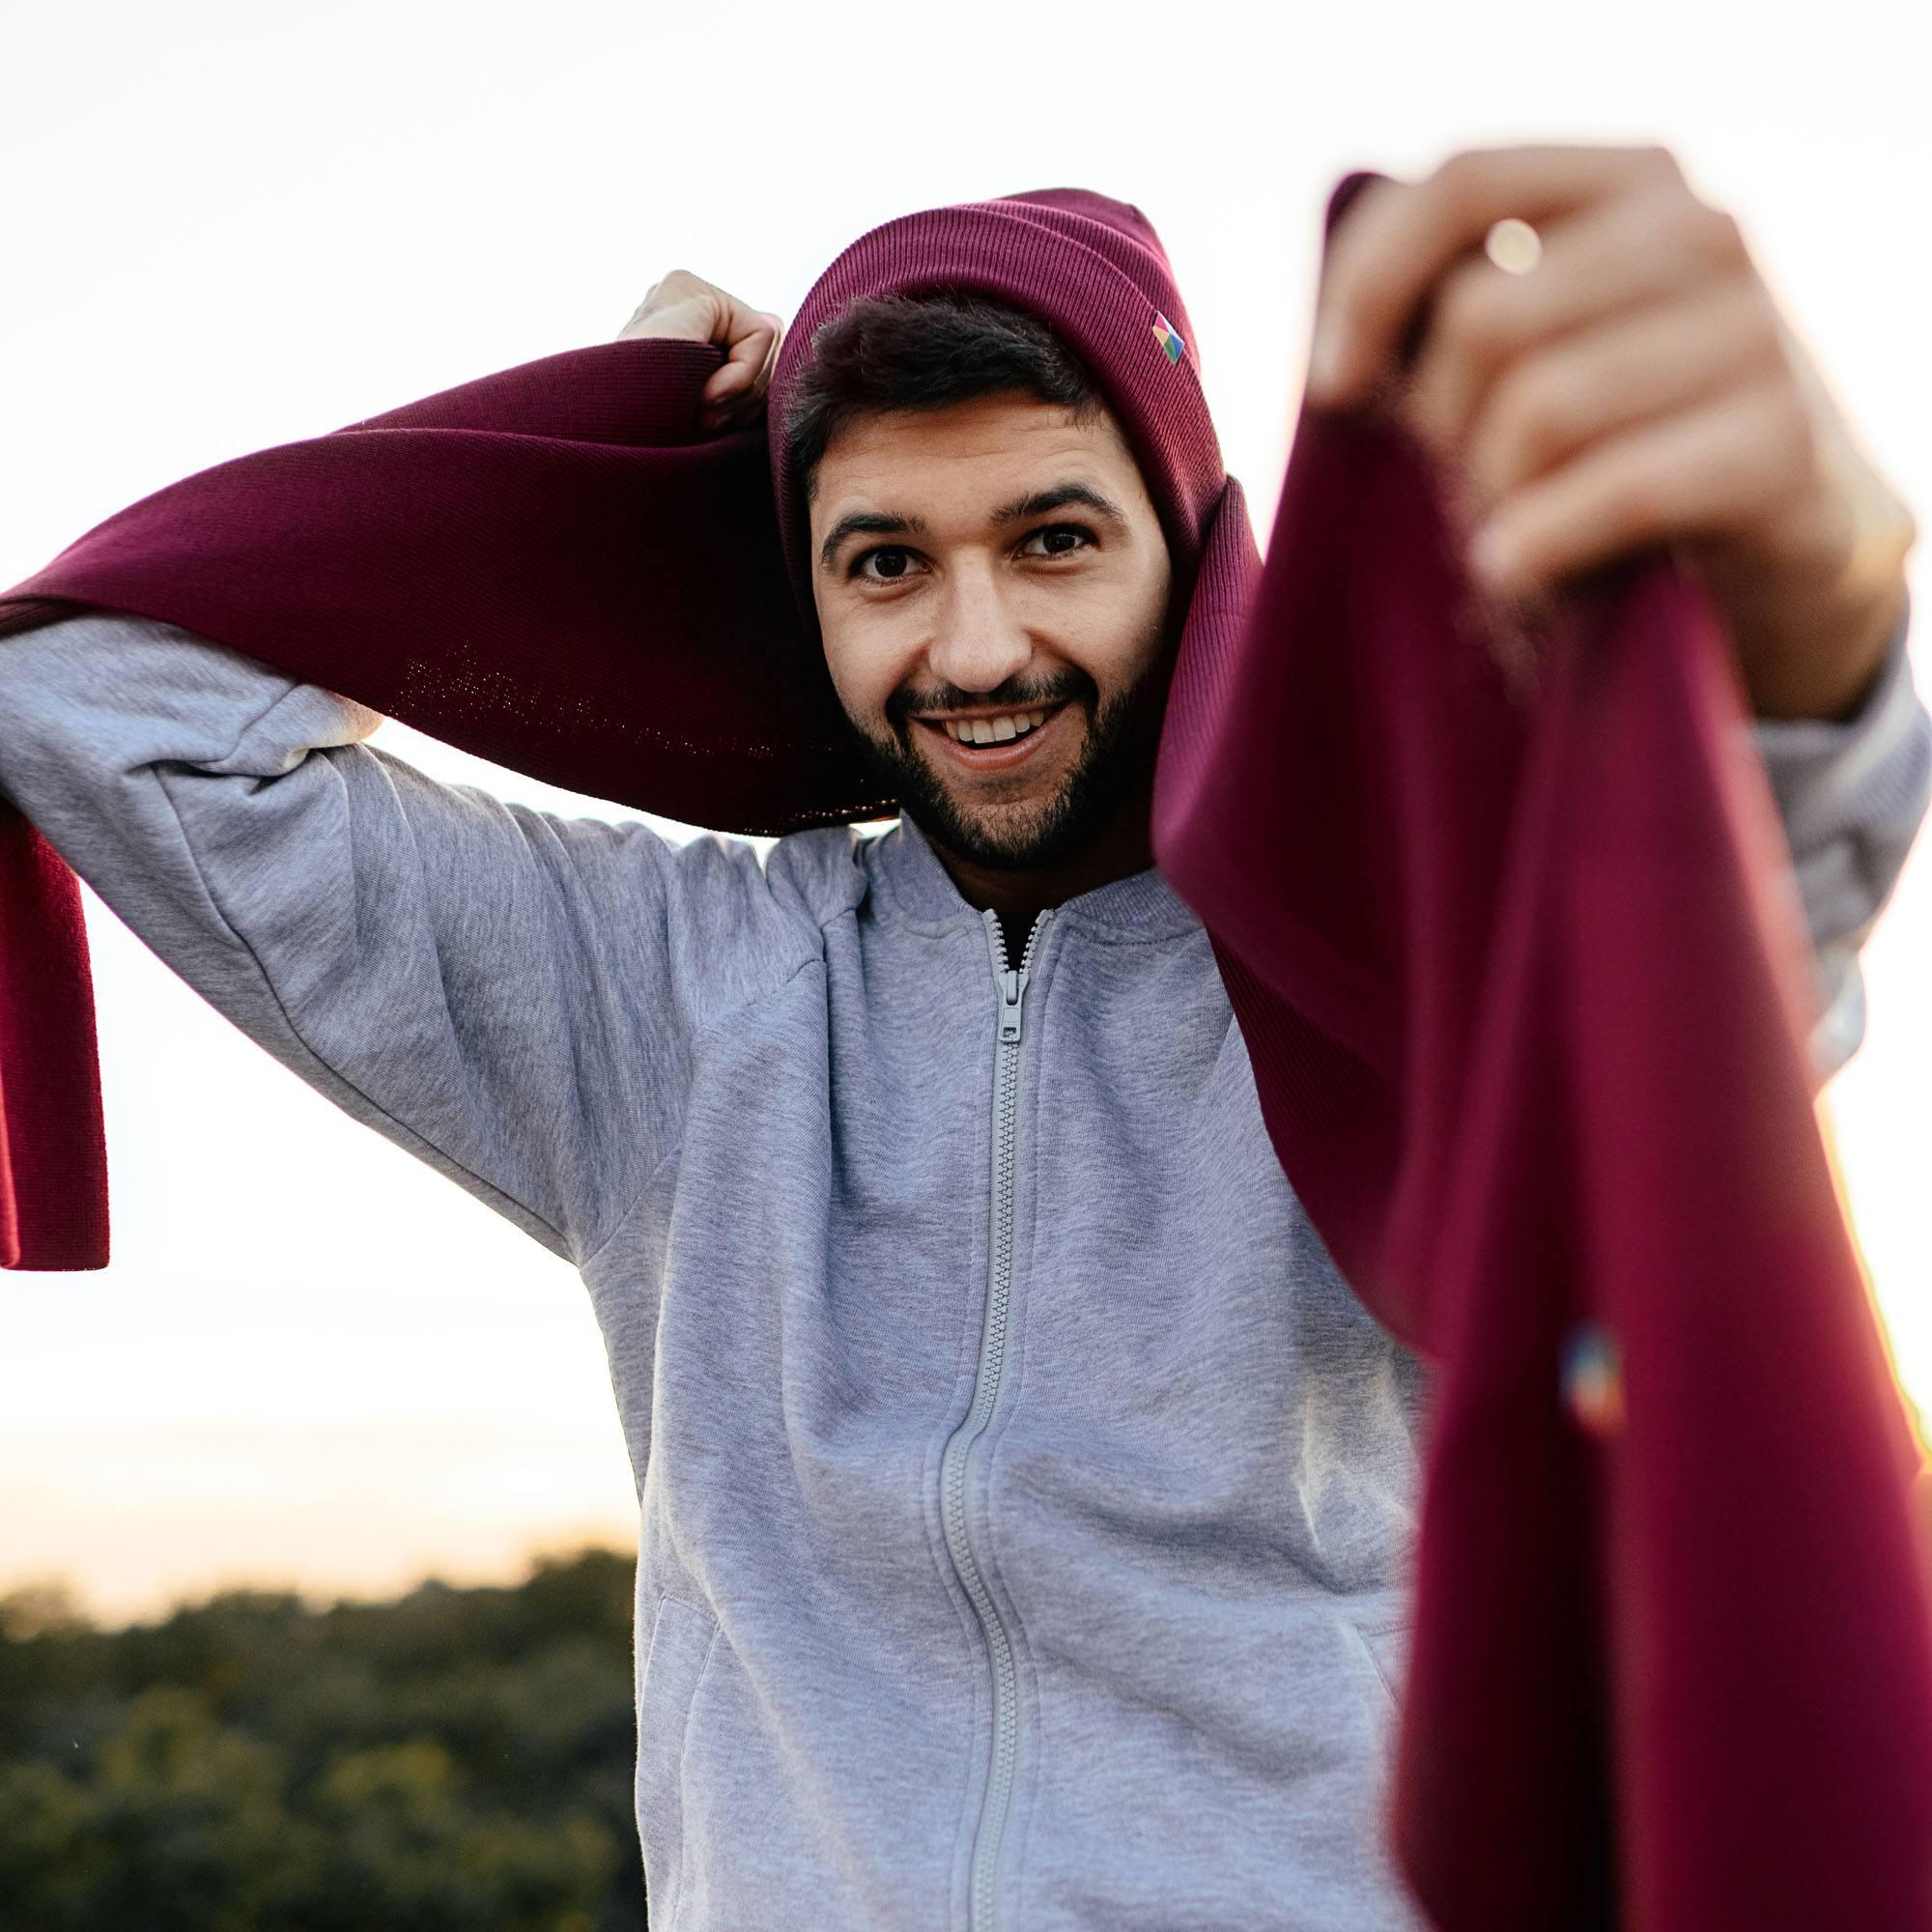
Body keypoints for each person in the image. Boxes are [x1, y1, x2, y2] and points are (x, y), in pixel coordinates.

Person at [1, 148, 1925, 1929]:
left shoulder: (1387, 957)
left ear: (1190, 545)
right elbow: (87, 699)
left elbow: (1736, 962)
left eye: (1054, 538)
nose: (978, 645)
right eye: (886, 565)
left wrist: (1825, 609)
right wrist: (588, 442)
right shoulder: (666, 994)